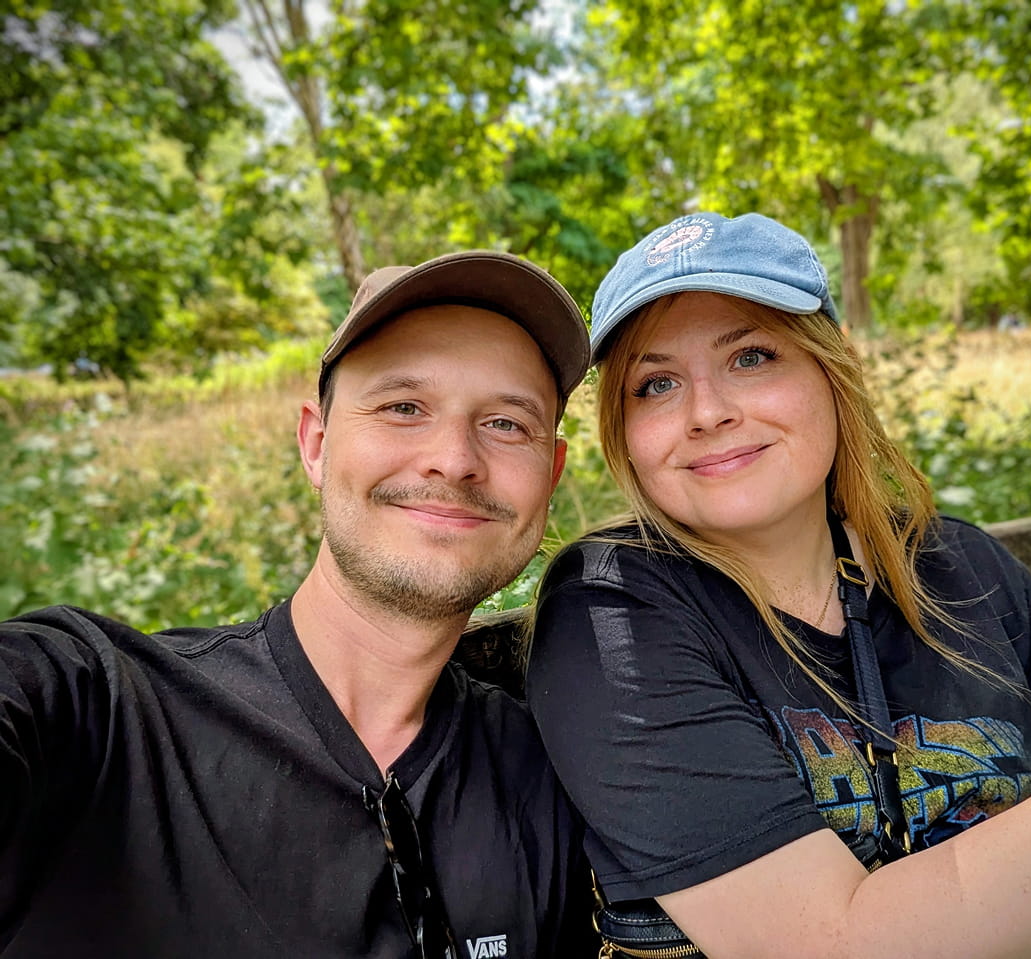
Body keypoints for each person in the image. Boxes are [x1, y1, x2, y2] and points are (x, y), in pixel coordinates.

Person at [525, 211, 1031, 959]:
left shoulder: (959, 567)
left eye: (750, 356)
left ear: (834, 367)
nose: (706, 412)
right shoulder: (614, 612)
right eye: (655, 384)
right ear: (624, 430)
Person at [0, 251, 599, 957]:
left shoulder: (541, 768)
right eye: (403, 407)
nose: (454, 458)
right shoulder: (104, 713)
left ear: (550, 475)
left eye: (505, 423)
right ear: (315, 443)